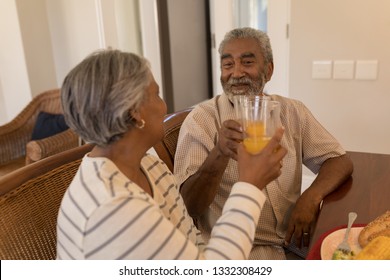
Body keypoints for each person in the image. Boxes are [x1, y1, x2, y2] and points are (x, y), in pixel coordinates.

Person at [56, 49, 287, 260]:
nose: (164, 105)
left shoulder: (148, 166)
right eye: (156, 94)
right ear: (135, 111)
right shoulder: (113, 207)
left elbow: (192, 240)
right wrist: (250, 184)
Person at [174, 27, 354, 259]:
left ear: (268, 70)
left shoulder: (292, 111)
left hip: (295, 241)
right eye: (228, 65)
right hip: (237, 250)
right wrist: (219, 154)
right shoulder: (202, 120)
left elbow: (339, 160)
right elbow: (188, 207)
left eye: (247, 62)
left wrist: (310, 197)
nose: (236, 73)